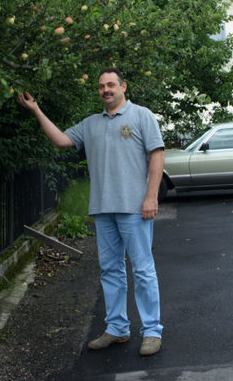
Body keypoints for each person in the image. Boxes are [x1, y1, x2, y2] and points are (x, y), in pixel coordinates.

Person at [17, 68, 166, 356]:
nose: (106, 90)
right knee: (110, 270)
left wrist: (151, 197)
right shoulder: (90, 124)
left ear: (123, 86)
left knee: (143, 270)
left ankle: (151, 331)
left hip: (135, 208)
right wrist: (36, 110)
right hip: (103, 209)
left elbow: (157, 155)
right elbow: (61, 140)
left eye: (111, 84)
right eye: (101, 86)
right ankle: (117, 328)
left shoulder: (142, 116)